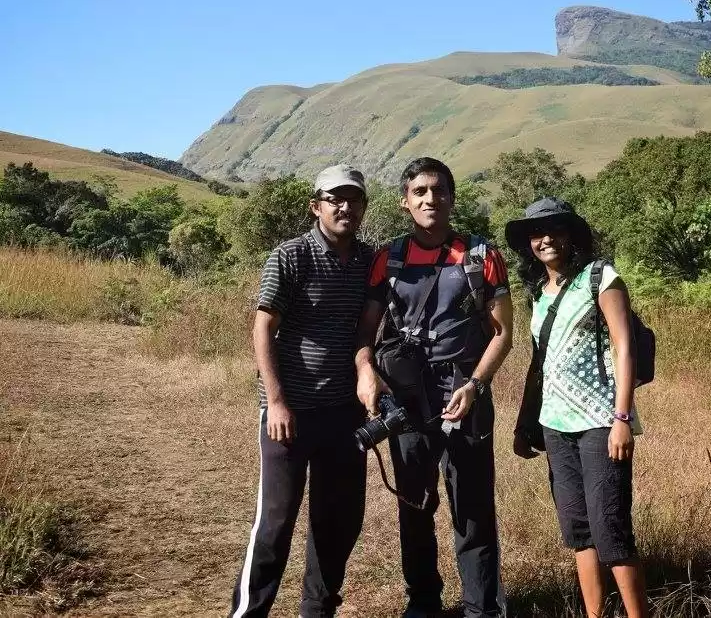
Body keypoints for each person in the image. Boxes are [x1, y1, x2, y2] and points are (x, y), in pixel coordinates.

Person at [354, 157, 514, 618]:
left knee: (472, 507)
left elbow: (503, 334)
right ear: (404, 202)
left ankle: (482, 608)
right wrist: (366, 369)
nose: (430, 199)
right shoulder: (389, 258)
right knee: (415, 504)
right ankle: (423, 602)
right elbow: (365, 331)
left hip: (464, 391)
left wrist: (476, 385)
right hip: (406, 397)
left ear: (451, 198)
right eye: (420, 191)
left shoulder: (481, 256)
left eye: (439, 190)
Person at [228, 165, 374, 618]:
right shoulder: (290, 256)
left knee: (338, 521)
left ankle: (317, 610)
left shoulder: (370, 261)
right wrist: (275, 402)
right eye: (335, 199)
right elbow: (263, 328)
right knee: (275, 522)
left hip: (344, 414)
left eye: (354, 199)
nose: (345, 207)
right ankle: (248, 613)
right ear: (316, 207)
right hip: (290, 414)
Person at [506, 197, 649, 618]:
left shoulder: (600, 278)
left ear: (571, 235)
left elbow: (625, 348)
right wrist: (525, 424)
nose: (546, 239)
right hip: (555, 425)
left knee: (611, 530)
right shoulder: (539, 292)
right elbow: (539, 364)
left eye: (555, 229)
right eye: (536, 233)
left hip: (600, 421)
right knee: (579, 532)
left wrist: (622, 418)